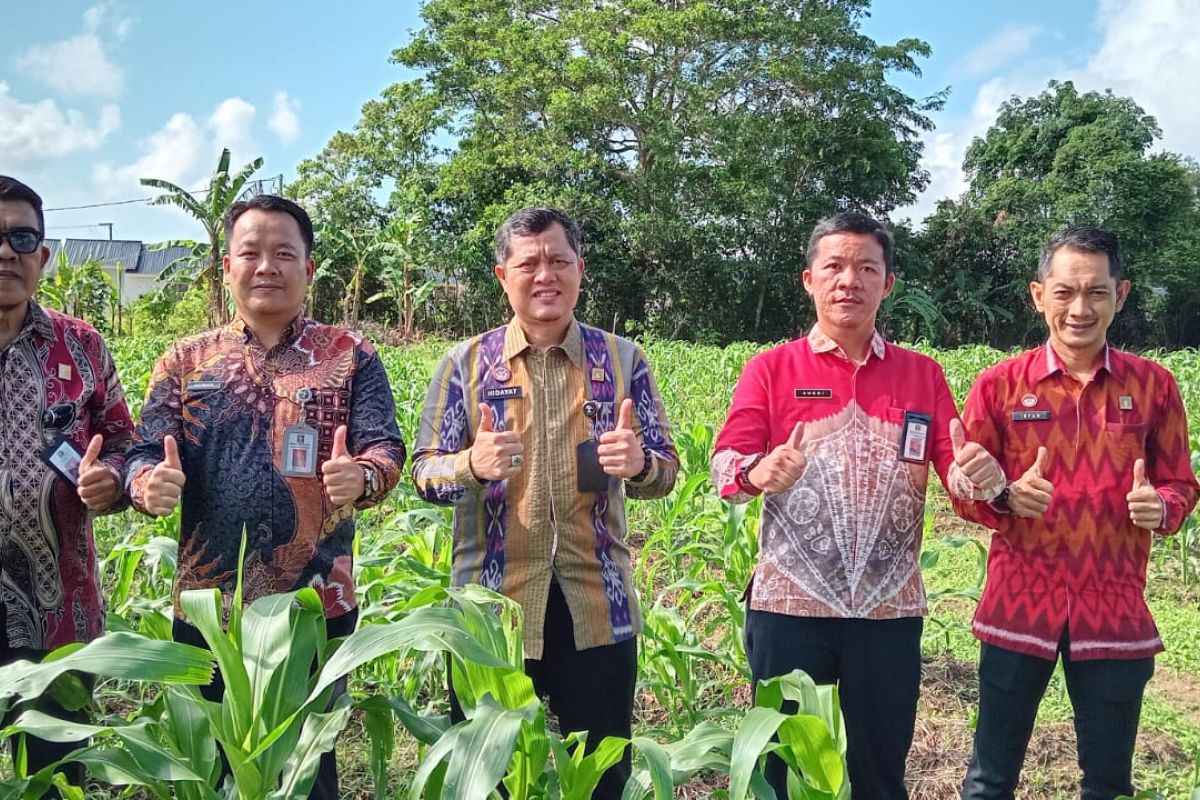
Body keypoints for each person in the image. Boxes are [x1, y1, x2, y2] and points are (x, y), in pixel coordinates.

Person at [711, 211, 1005, 799]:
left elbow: (957, 471)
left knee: (880, 767)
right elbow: (725, 460)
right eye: (836, 267)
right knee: (786, 768)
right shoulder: (771, 369)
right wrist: (757, 469)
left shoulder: (921, 375)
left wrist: (986, 478)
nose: (850, 280)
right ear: (809, 280)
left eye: (867, 268)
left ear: (887, 284)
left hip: (887, 611)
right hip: (789, 607)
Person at [125, 194, 406, 799]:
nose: (266, 267)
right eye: (250, 253)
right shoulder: (183, 360)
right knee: (212, 767)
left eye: (284, 253)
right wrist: (148, 482)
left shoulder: (350, 355)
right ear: (226, 267)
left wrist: (364, 476)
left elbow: (386, 447)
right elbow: (144, 452)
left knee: (310, 768)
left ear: (308, 268)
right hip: (208, 606)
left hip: (314, 605)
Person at [413, 207, 679, 797]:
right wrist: (470, 465)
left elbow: (667, 471)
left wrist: (640, 466)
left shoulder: (624, 360)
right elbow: (424, 474)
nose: (545, 275)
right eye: (528, 263)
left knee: (603, 777)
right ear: (502, 275)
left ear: (580, 270)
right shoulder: (463, 365)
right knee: (494, 781)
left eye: (558, 261)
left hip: (598, 605)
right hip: (492, 612)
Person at [955, 226, 1199, 800]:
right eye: (1064, 292)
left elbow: (1182, 484)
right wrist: (1004, 495)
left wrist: (1159, 505)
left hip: (1112, 607)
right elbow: (965, 487)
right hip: (1019, 606)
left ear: (1123, 294)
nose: (1080, 308)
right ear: (1039, 295)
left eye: (1096, 292)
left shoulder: (1154, 387)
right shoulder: (999, 387)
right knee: (990, 779)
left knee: (1109, 782)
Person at [0, 175, 133, 791]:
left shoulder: (81, 346)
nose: (6, 252)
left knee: (57, 774)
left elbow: (126, 444)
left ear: (44, 256)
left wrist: (113, 481)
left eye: (22, 237)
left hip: (62, 611)